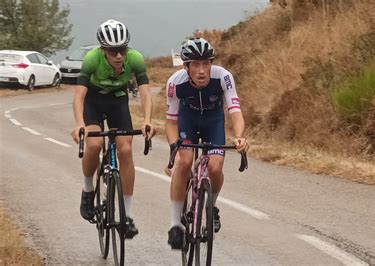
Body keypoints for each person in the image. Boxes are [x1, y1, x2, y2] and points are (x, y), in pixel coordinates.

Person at [71, 19, 154, 239]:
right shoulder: (92, 60)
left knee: (125, 150)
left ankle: (126, 215)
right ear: (103, 49)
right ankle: (88, 189)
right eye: (112, 51)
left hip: (118, 101)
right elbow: (79, 95)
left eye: (122, 50)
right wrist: (80, 123)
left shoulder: (135, 59)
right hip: (93, 103)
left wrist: (147, 120)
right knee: (95, 144)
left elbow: (145, 92)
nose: (118, 56)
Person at [165, 37, 249, 249]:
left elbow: (235, 111)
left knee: (215, 166)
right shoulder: (175, 82)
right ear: (186, 66)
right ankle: (175, 224)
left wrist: (240, 136)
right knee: (184, 163)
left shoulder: (223, 77)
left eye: (206, 63)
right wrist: (174, 147)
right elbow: (171, 121)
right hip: (188, 120)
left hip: (213, 121)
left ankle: (211, 205)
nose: (202, 70)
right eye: (195, 65)